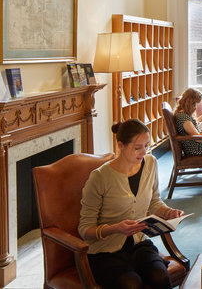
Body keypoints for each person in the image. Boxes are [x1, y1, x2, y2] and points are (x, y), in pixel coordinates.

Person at [78, 119, 185, 289]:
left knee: (160, 277)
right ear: (120, 145)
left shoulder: (151, 163)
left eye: (146, 145)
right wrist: (116, 228)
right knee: (131, 284)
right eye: (137, 148)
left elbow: (154, 201)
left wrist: (168, 212)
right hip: (106, 253)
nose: (144, 152)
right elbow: (85, 230)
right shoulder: (99, 177)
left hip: (139, 245)